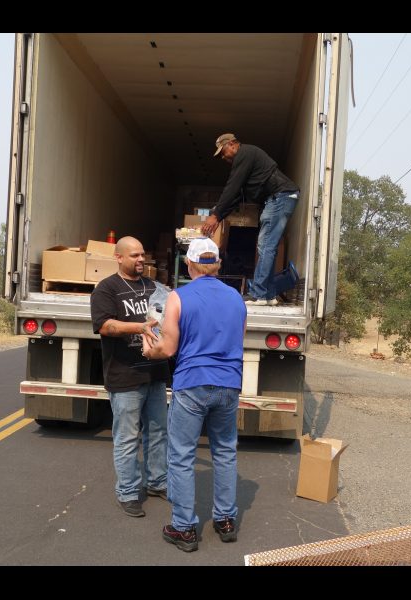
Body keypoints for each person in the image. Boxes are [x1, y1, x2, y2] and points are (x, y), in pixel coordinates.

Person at [141, 237, 247, 552]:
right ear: (217, 265)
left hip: (192, 384)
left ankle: (184, 527)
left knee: (182, 455)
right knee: (225, 452)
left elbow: (168, 348)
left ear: (189, 265)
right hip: (229, 384)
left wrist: (149, 348)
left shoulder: (178, 297)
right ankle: (226, 520)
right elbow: (238, 342)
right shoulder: (237, 299)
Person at [90, 236, 170, 518]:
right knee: (127, 438)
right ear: (119, 258)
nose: (140, 260)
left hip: (156, 374)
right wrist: (140, 327)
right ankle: (128, 492)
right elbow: (105, 326)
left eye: (142, 255)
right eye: (134, 255)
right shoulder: (106, 289)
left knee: (159, 433)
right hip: (124, 375)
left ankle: (157, 482)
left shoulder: (155, 288)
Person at [201, 133, 300, 306]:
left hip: (280, 196)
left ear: (232, 144)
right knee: (267, 246)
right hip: (279, 198)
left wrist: (215, 216)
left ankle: (259, 294)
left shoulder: (245, 154)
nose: (223, 157)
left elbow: (232, 187)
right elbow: (237, 196)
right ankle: (268, 294)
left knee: (265, 245)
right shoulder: (247, 162)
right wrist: (219, 216)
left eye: (223, 152)